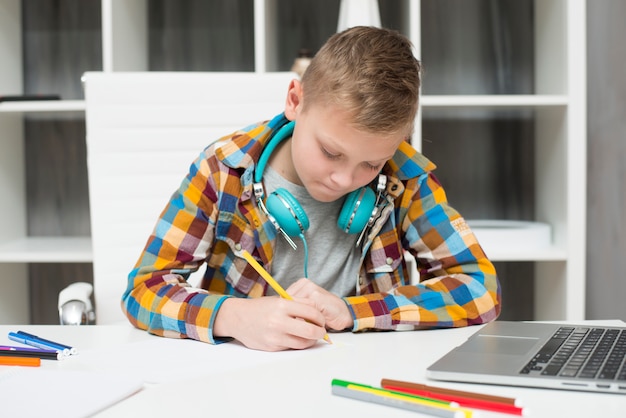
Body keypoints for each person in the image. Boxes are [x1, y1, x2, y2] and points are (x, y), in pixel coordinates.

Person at [122, 26, 501, 352]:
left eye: (370, 164)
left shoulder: (405, 176)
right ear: (295, 100)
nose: (344, 179)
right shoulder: (224, 170)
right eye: (330, 152)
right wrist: (233, 317)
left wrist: (353, 312)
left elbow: (480, 290)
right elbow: (143, 290)